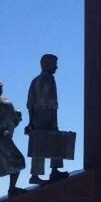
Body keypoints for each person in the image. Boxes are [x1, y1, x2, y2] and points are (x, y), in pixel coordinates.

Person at [26, 53, 68, 185]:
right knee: (44, 142)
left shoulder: (36, 80)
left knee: (51, 141)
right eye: (54, 63)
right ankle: (37, 174)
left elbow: (30, 103)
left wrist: (31, 120)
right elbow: (40, 102)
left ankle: (52, 170)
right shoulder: (46, 79)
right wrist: (34, 119)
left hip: (42, 114)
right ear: (46, 64)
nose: (57, 67)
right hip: (45, 114)